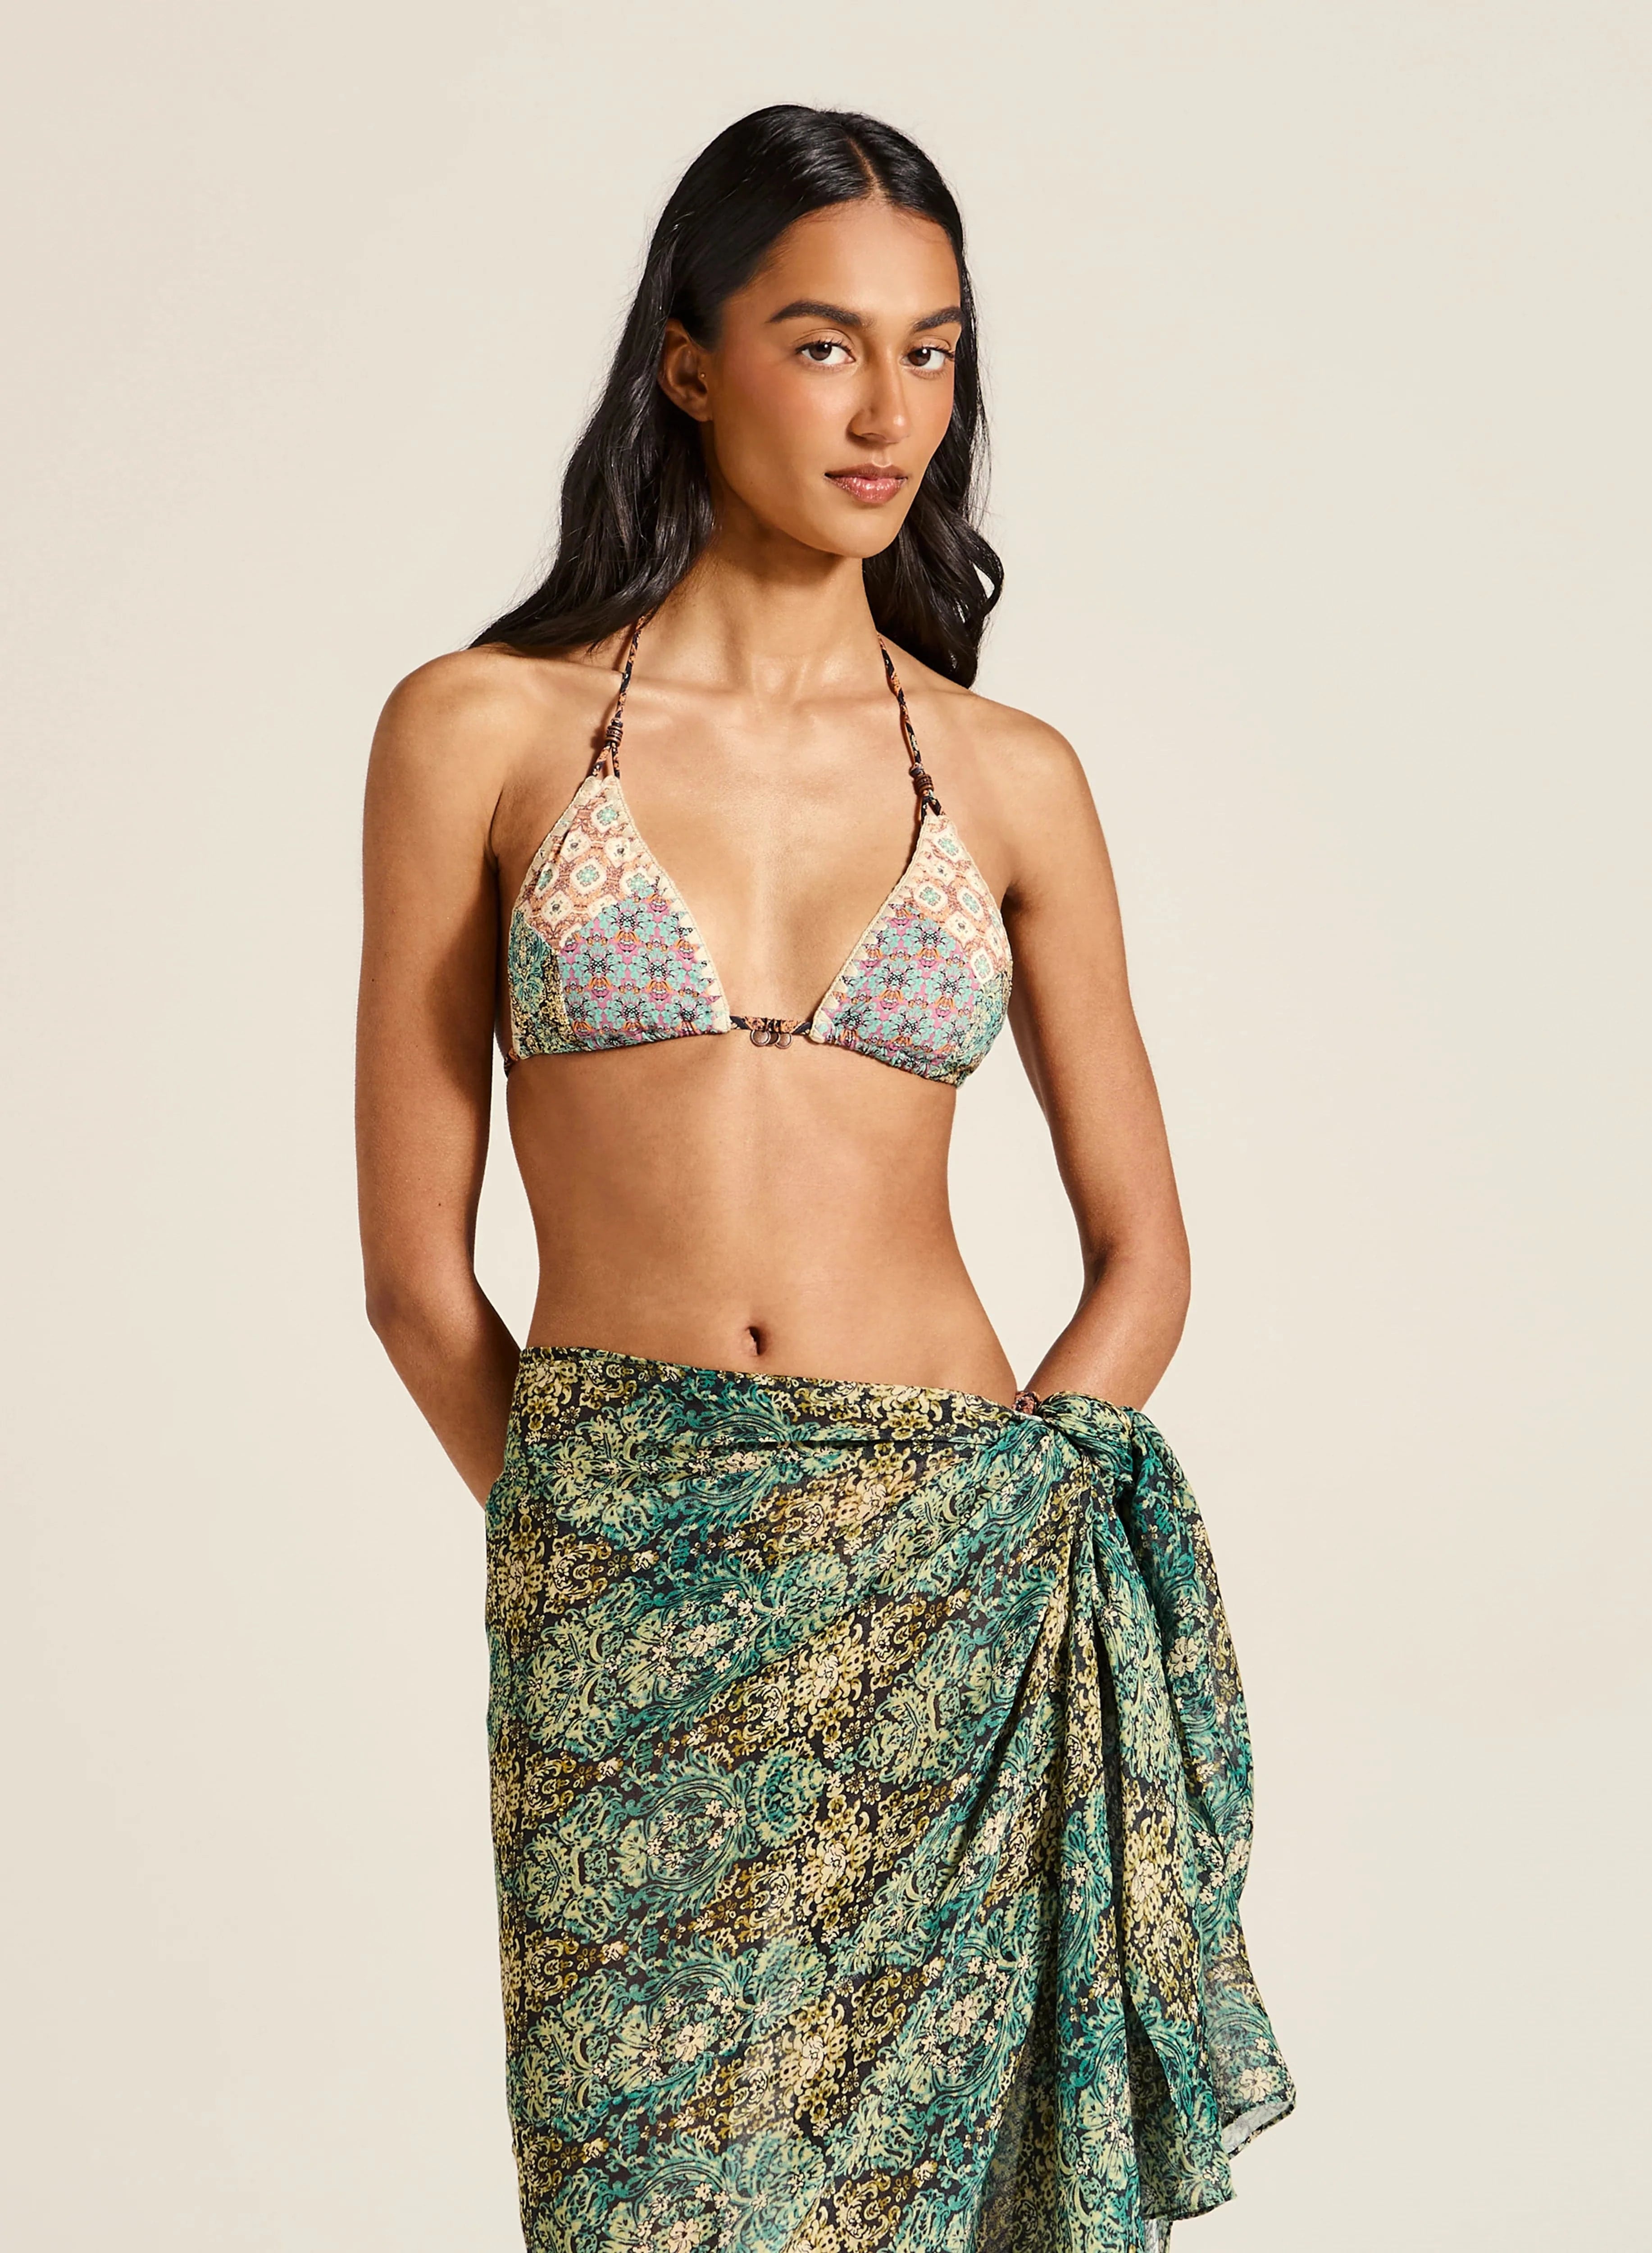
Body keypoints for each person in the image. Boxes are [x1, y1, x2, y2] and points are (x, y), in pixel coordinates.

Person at [356, 102, 1292, 2253]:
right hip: (620, 1576)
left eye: (930, 350)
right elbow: (414, 1274)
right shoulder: (477, 730)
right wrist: (592, 1533)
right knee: (644, 2203)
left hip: (950, 1569)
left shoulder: (1010, 774)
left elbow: (1143, 1251)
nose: (889, 410)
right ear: (688, 362)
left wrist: (1004, 1520)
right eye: (823, 345)